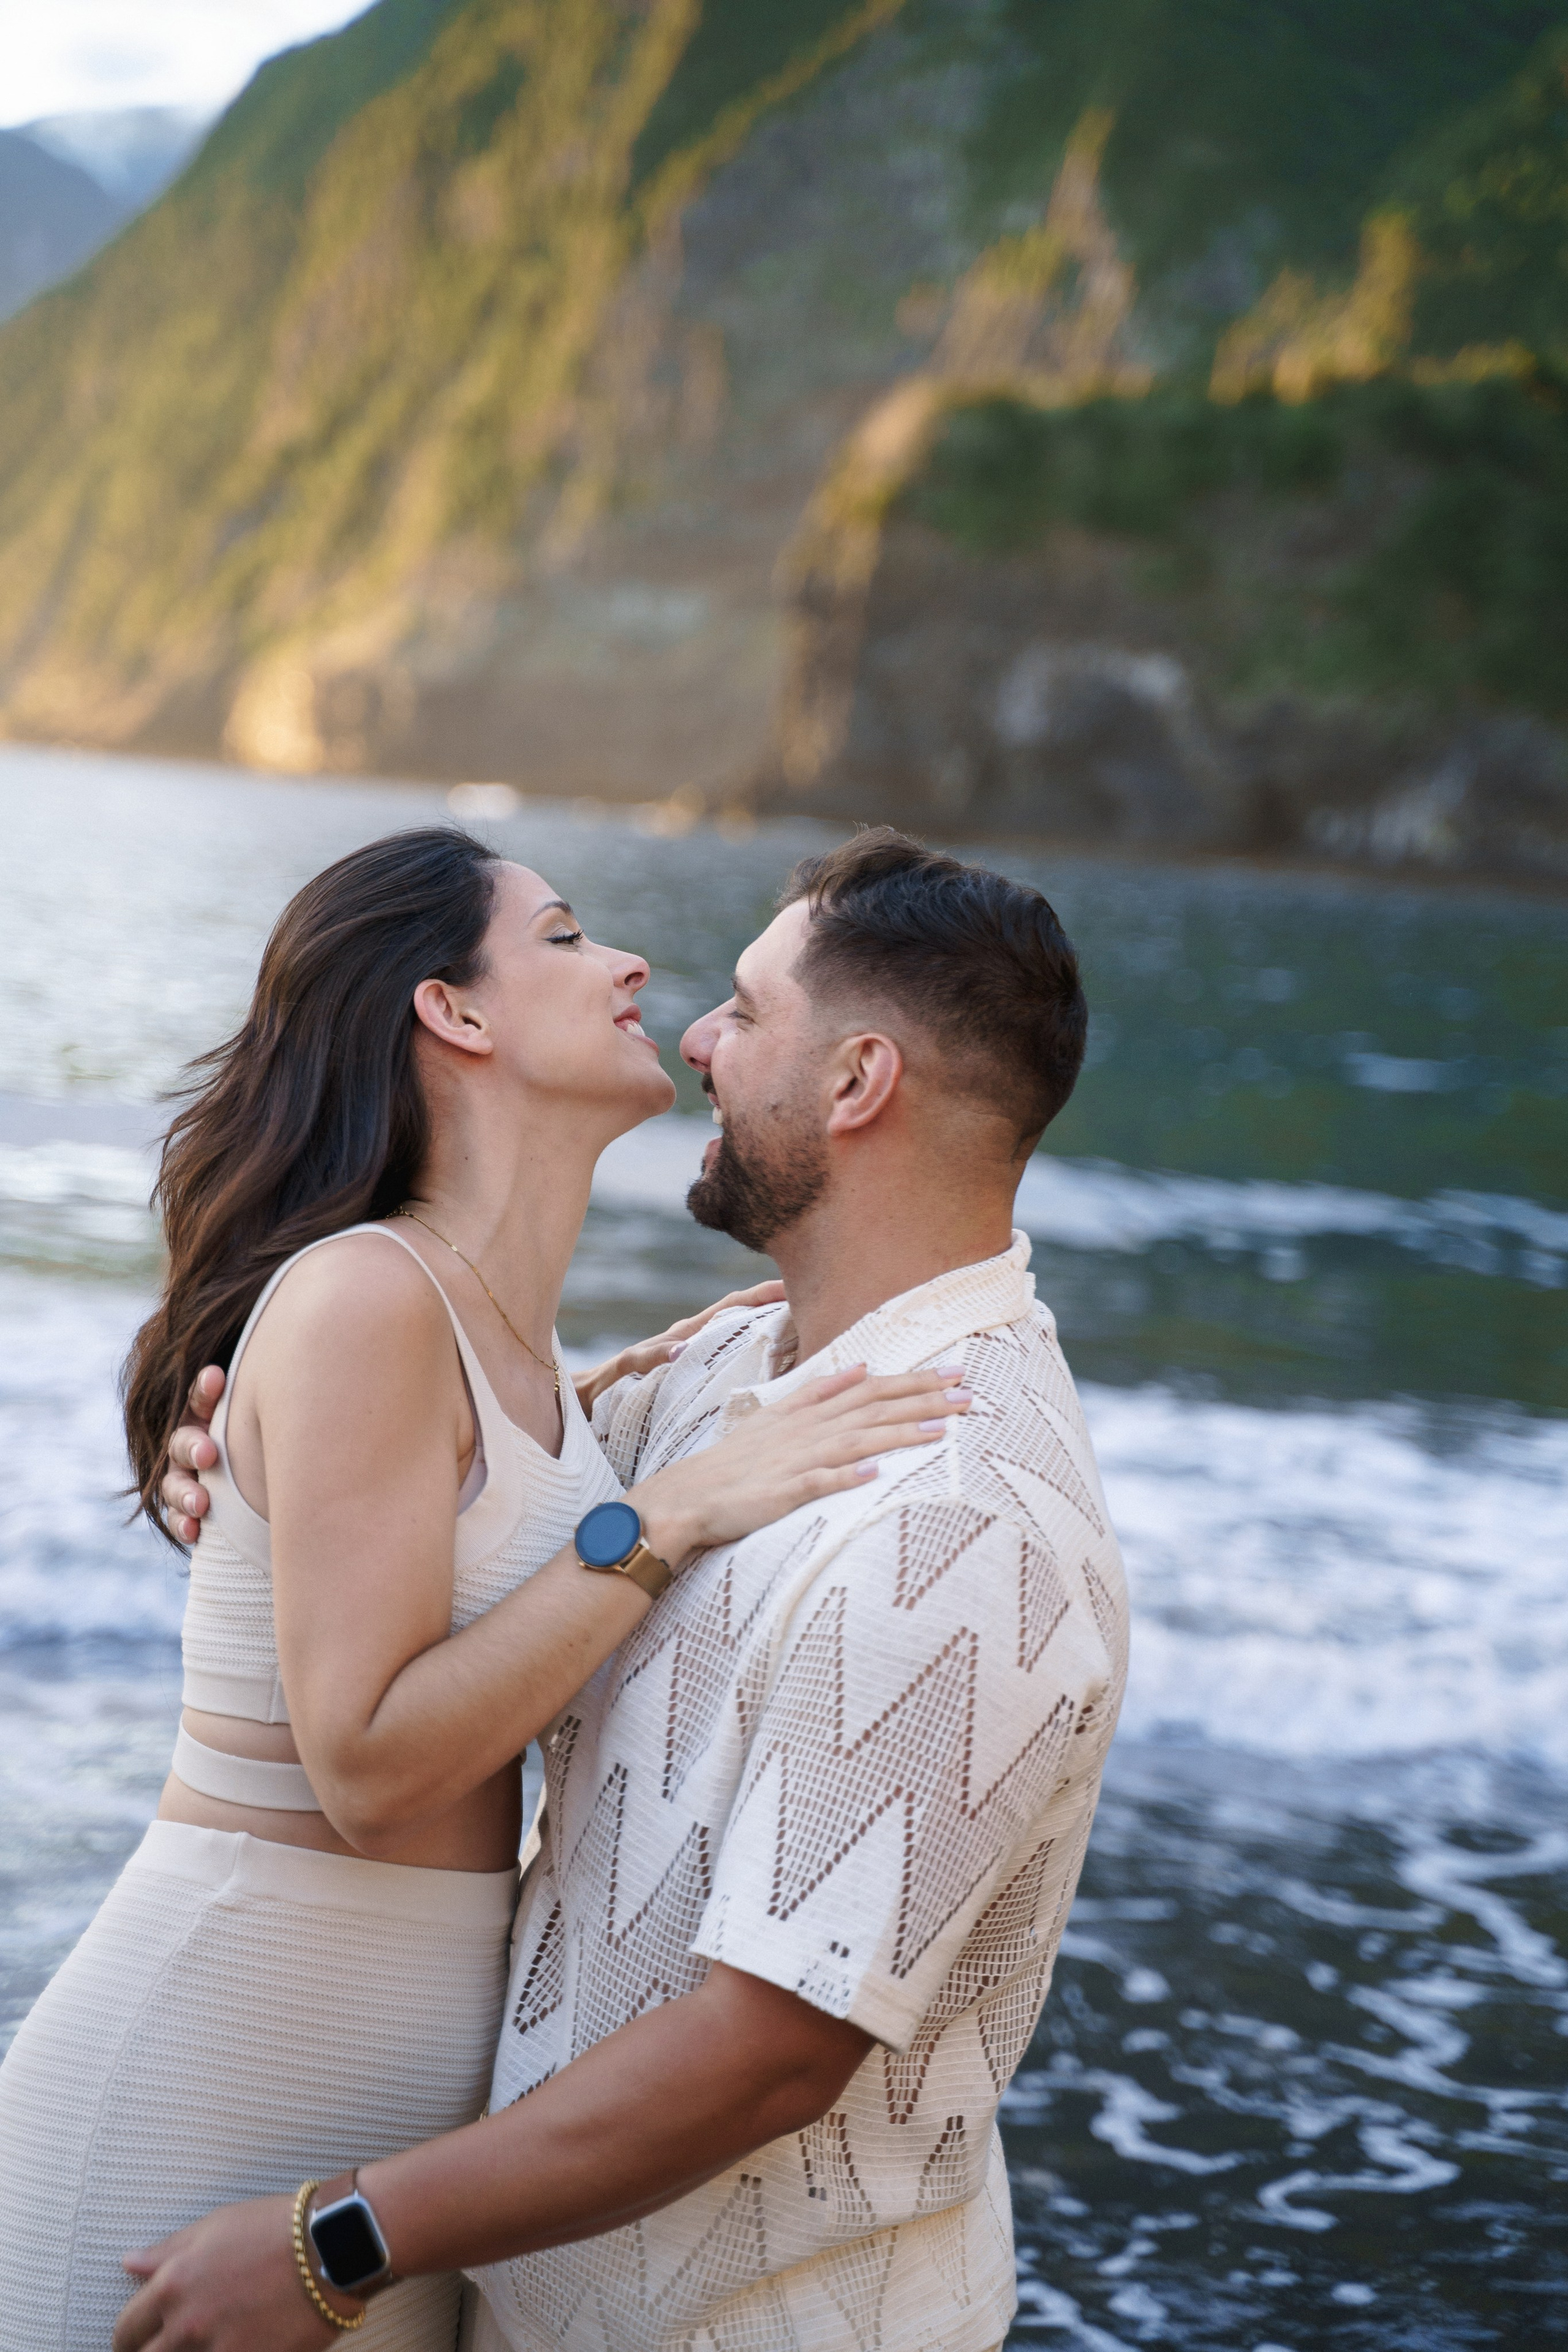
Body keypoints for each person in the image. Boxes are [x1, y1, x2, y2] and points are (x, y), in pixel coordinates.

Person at [116, 828, 1129, 2352]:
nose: (698, 1036)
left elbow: (768, 2053)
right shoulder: (733, 1369)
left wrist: (340, 2247)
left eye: (743, 1008)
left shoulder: (955, 1520)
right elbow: (500, 1519)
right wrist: (253, 1457)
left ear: (856, 1085)